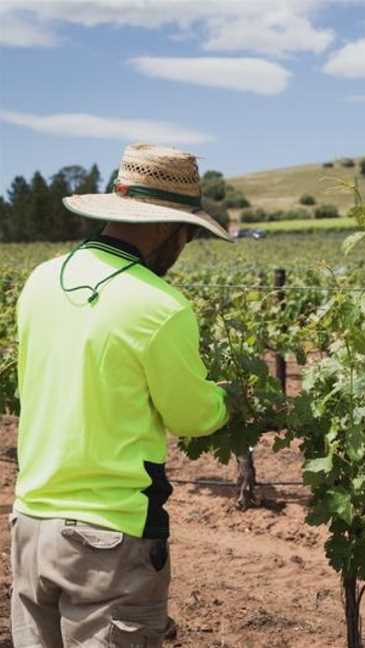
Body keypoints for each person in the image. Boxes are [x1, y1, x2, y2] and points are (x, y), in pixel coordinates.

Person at [11, 143, 235, 647]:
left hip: (30, 525)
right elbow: (192, 416)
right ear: (166, 228)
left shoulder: (41, 281)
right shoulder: (160, 306)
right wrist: (227, 399)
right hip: (108, 540)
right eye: (187, 235)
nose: (183, 249)